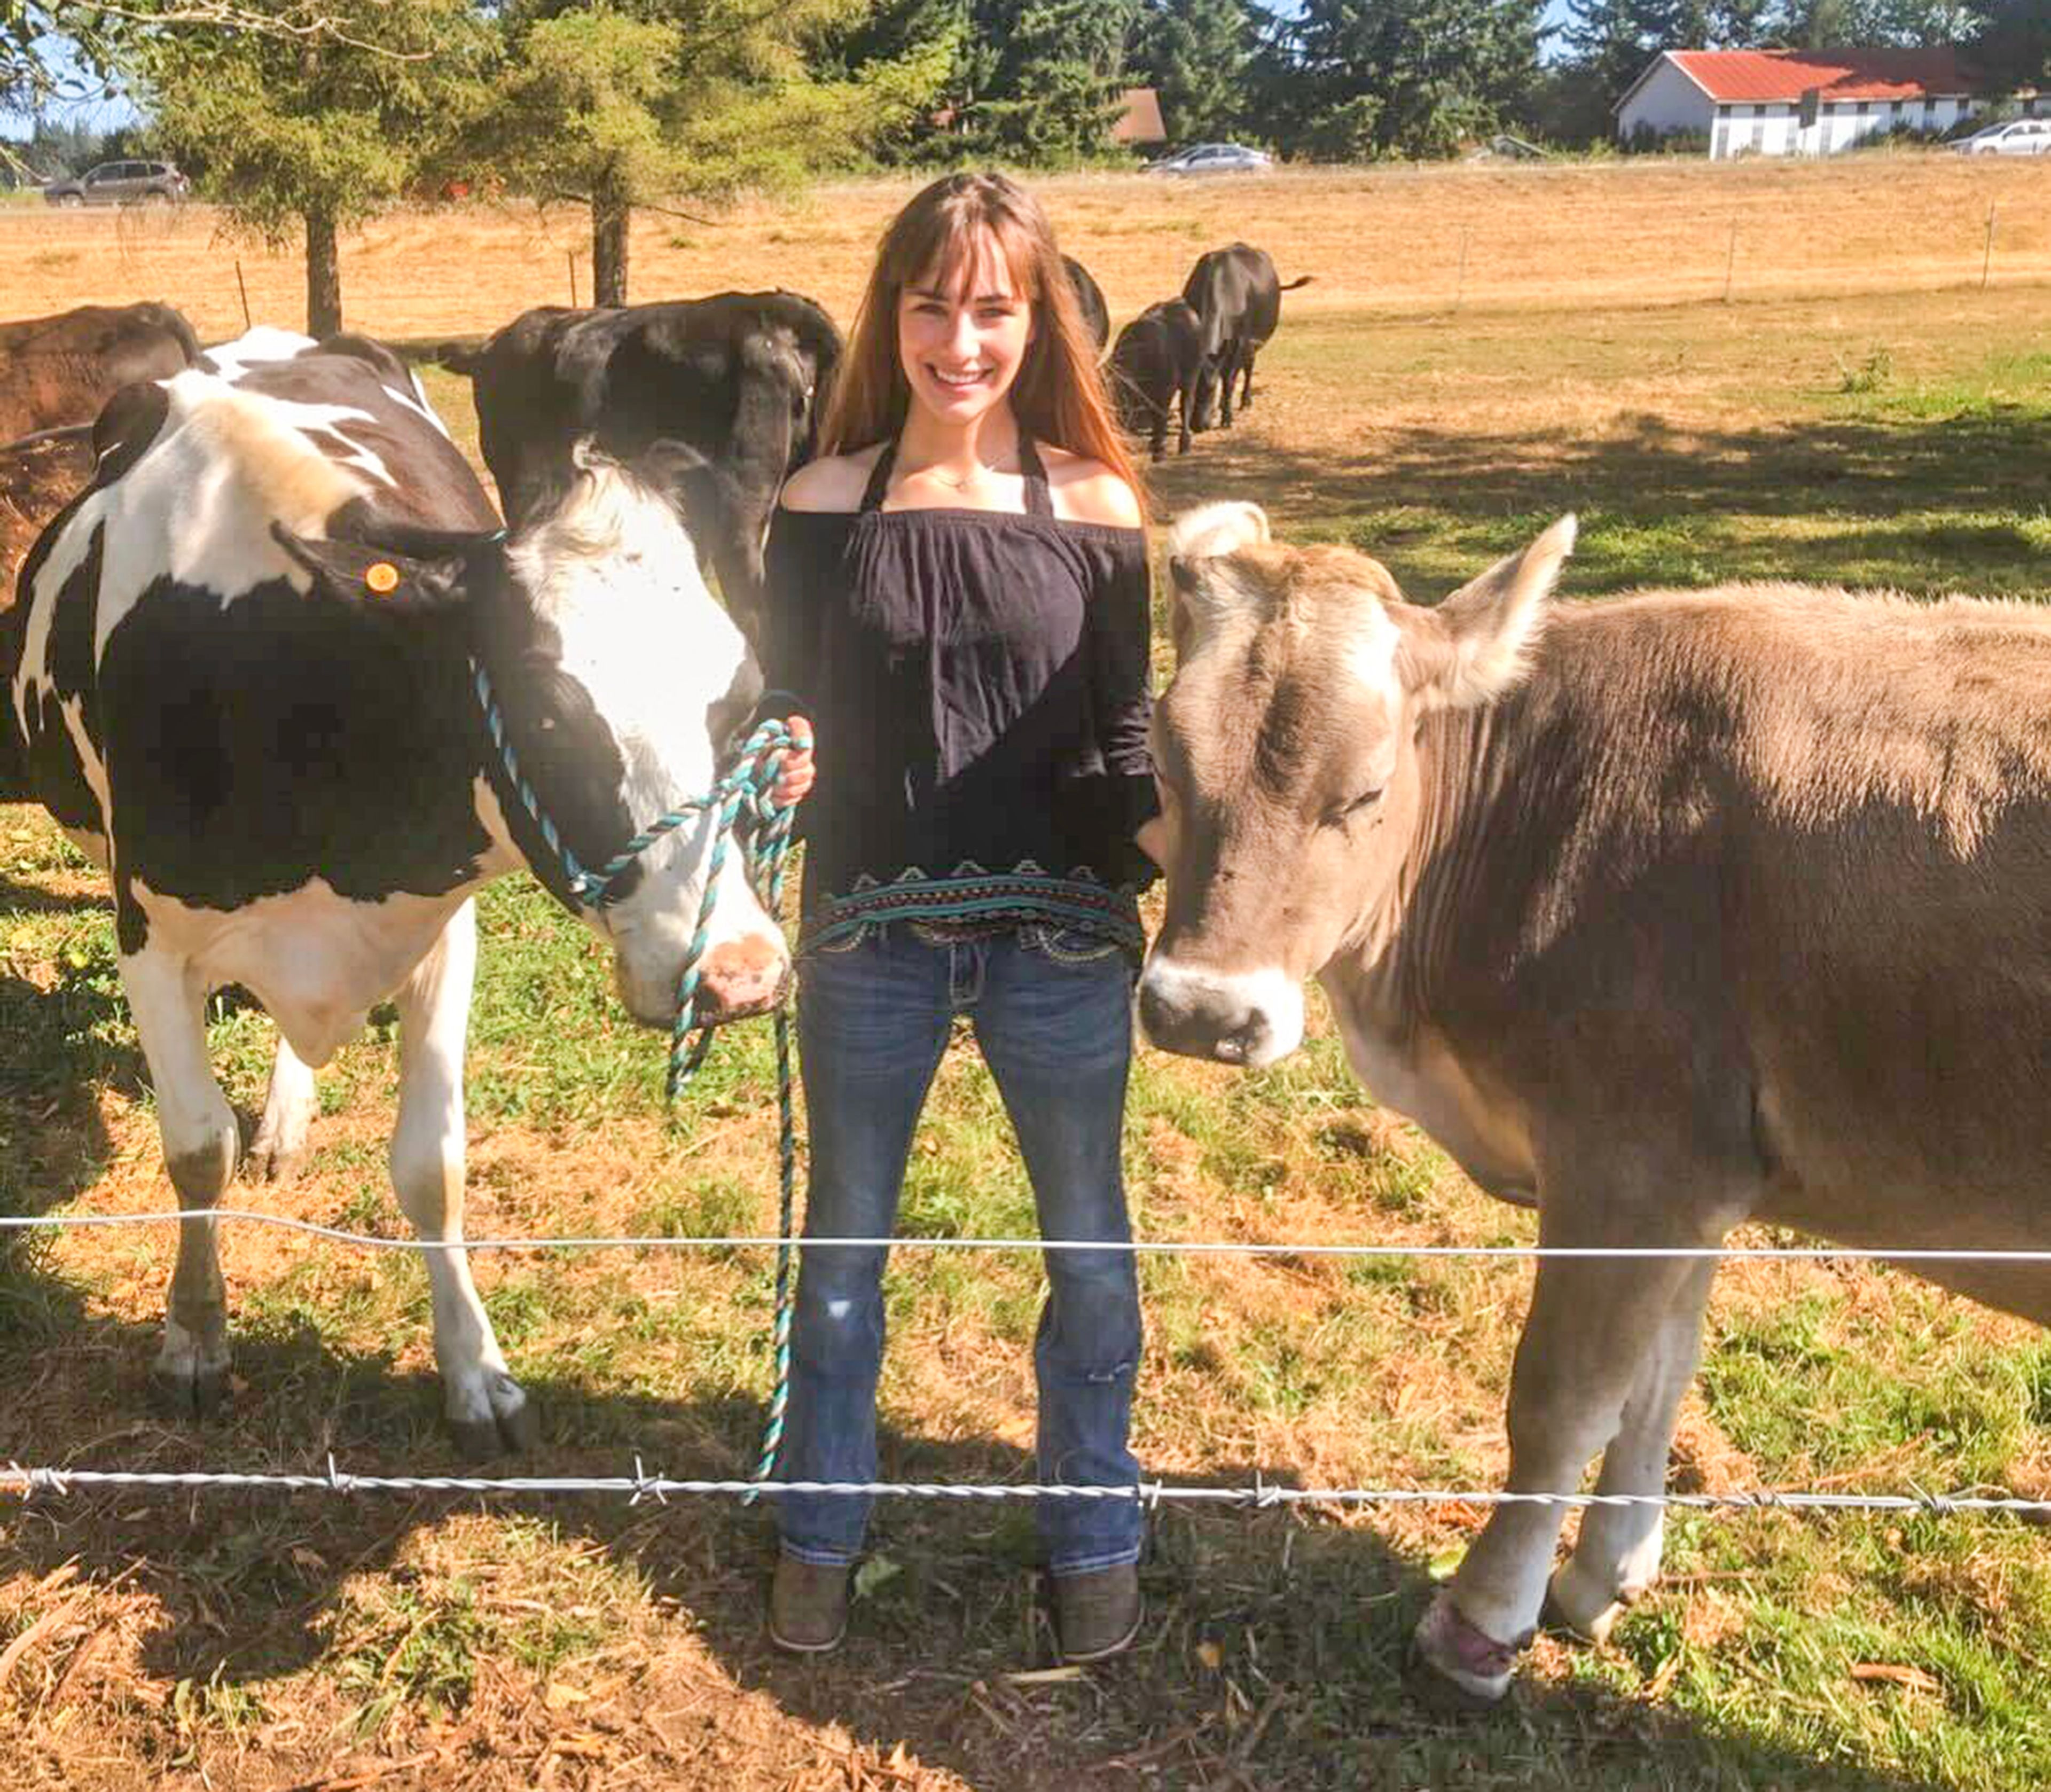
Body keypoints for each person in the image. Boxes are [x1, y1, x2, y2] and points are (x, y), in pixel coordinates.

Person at [755, 171, 1157, 1663]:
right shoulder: (817, 501)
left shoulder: (1099, 505)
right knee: (842, 1258)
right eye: (933, 304)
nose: (962, 339)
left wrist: (1227, 883)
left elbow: (1124, 752)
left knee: (1092, 1259)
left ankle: (1094, 1541)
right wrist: (779, 756)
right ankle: (817, 1539)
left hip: (1060, 940)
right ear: (892, 313)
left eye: (994, 307)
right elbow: (782, 713)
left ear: (1036, 318)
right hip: (868, 938)